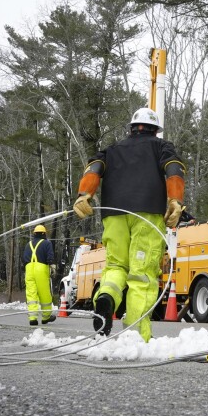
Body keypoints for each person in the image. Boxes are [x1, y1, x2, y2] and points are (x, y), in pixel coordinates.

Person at [73, 107, 186, 342]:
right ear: (155, 130)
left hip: (113, 215)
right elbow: (173, 168)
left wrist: (85, 194)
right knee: (142, 275)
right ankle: (135, 335)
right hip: (147, 216)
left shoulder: (112, 150)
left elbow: (94, 167)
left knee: (115, 266)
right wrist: (175, 199)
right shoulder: (161, 147)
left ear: (132, 128)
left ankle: (106, 297)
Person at [23, 224, 56, 326]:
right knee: (44, 293)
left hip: (28, 269)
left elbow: (23, 258)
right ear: (44, 233)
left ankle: (33, 318)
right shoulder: (47, 243)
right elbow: (50, 256)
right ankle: (46, 317)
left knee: (31, 294)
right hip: (41, 269)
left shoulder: (28, 244)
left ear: (34, 234)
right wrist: (52, 265)